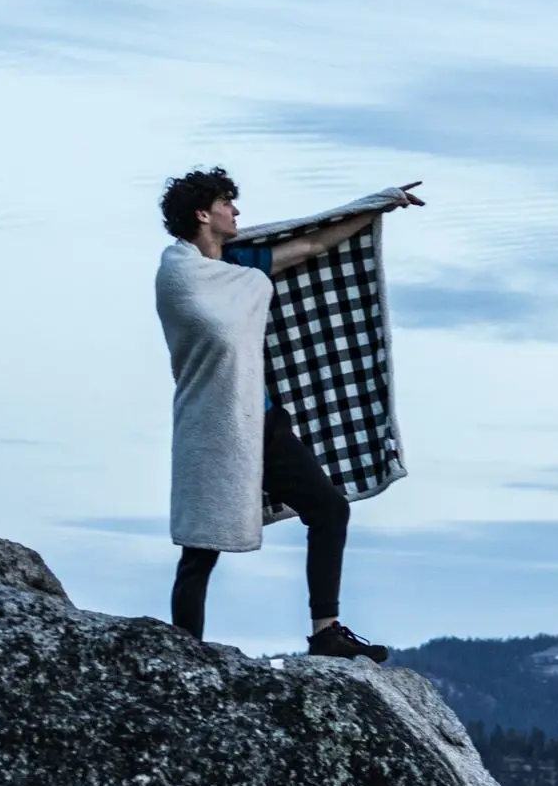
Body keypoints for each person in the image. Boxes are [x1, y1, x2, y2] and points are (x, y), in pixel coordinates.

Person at [155, 167, 423, 659]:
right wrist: (246, 286)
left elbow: (310, 247)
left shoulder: (242, 266)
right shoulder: (179, 273)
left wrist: (378, 203)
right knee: (200, 546)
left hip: (263, 421)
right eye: (227, 204)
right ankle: (183, 654)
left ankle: (326, 630)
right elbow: (212, 324)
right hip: (211, 426)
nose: (236, 211)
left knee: (329, 508)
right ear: (202, 214)